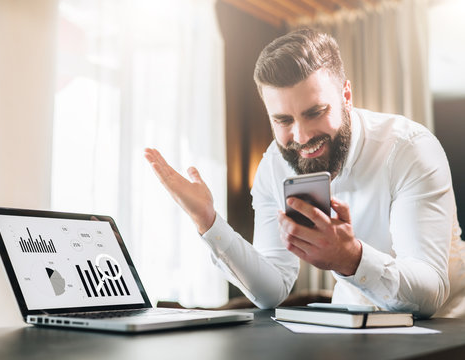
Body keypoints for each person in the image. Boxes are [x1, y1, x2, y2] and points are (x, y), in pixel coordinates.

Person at [144, 28, 465, 318]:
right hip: (351, 329)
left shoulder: (410, 149)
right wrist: (208, 222)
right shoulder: (273, 165)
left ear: (346, 96)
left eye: (315, 112)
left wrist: (350, 257)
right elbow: (272, 291)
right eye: (283, 120)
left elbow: (429, 295)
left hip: (444, 334)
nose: (301, 136)